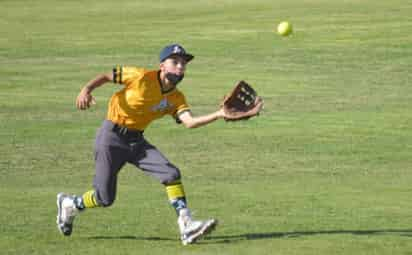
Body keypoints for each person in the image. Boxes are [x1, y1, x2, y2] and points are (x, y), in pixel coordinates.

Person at [56, 44, 231, 245]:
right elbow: (106, 76)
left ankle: (186, 225)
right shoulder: (140, 77)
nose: (180, 67)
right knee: (104, 198)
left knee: (171, 174)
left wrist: (219, 114)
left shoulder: (176, 97)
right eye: (175, 62)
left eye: (183, 63)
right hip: (111, 137)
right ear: (162, 65)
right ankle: (70, 204)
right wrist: (86, 89)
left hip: (136, 141)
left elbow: (189, 122)